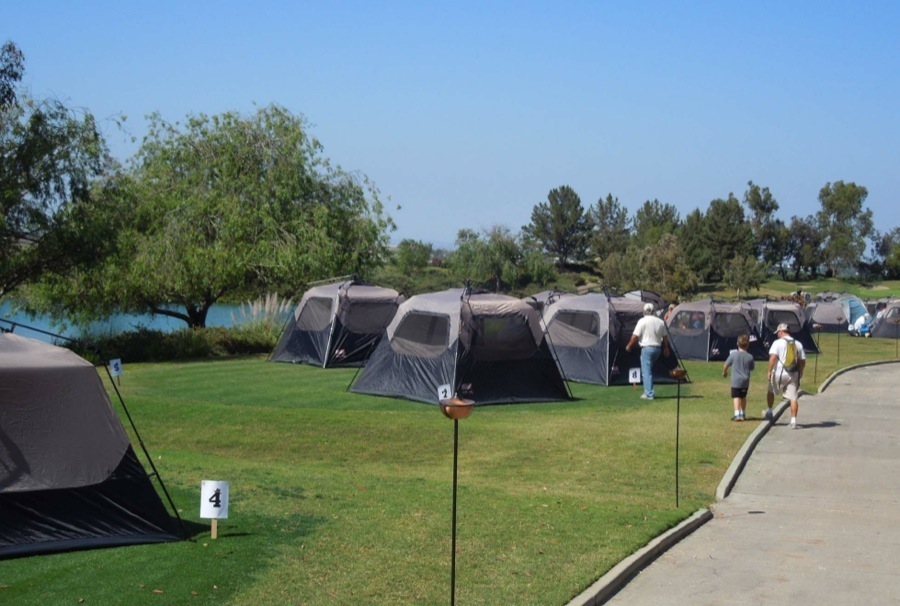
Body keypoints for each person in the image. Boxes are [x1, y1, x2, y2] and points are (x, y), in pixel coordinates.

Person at [765, 322, 806, 429]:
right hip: (793, 373)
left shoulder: (777, 343)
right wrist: (801, 371)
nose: (777, 334)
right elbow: (802, 361)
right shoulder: (798, 344)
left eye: (778, 332)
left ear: (781, 332)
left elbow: (773, 358)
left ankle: (769, 411)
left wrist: (769, 371)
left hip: (779, 372)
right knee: (793, 397)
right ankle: (793, 421)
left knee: (771, 390)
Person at [625, 302, 671, 400]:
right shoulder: (660, 322)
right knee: (648, 371)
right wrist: (666, 348)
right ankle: (647, 391)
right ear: (654, 311)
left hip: (647, 348)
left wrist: (629, 346)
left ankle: (649, 394)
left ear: (644, 311)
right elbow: (665, 337)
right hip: (657, 349)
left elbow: (635, 336)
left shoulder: (642, 321)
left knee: (646, 372)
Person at [723, 334, 755, 421]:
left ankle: (737, 414)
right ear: (748, 344)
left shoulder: (733, 355)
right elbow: (752, 368)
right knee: (743, 396)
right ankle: (743, 413)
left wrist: (724, 372)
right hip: (745, 380)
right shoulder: (750, 356)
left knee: (736, 396)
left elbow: (726, 364)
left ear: (737, 344)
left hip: (735, 380)